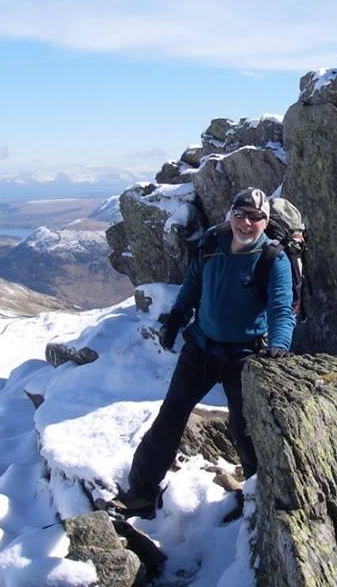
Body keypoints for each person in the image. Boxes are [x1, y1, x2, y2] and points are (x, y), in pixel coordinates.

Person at [112, 187, 296, 517]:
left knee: (246, 431)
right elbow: (194, 282)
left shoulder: (272, 259)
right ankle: (141, 493)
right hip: (200, 347)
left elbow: (281, 308)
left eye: (256, 217)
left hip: (244, 355)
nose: (246, 222)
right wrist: (178, 316)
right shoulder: (213, 243)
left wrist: (279, 344)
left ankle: (257, 498)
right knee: (170, 418)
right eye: (240, 214)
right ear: (230, 215)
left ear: (265, 222)